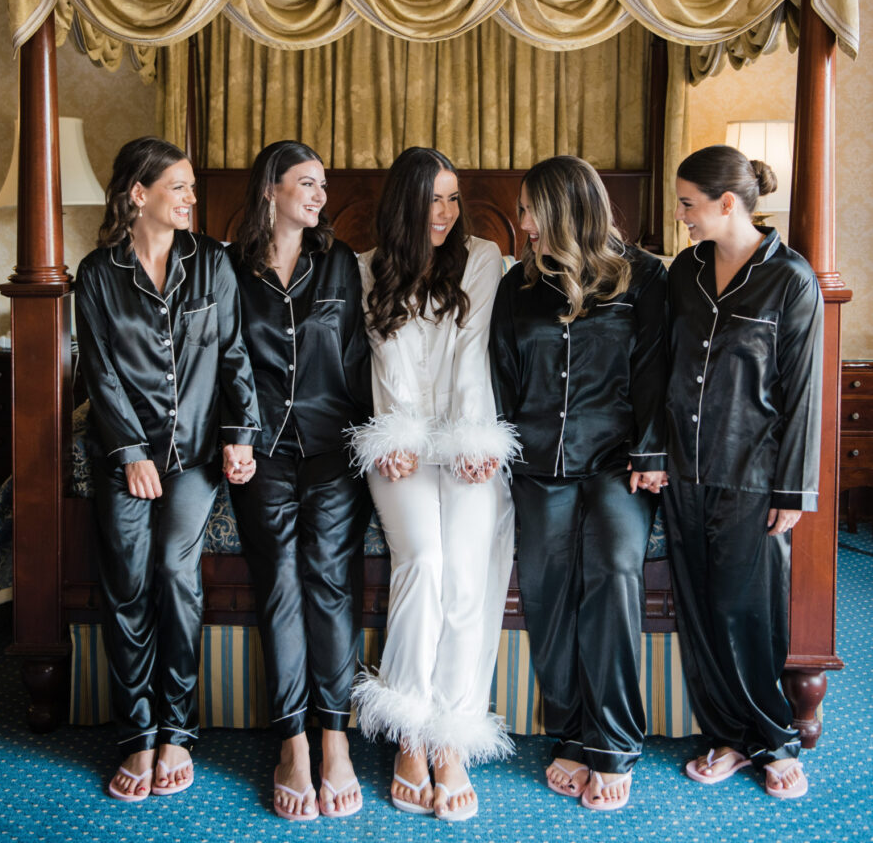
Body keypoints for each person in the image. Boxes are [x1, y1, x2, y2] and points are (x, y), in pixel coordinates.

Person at [75, 137, 260, 801]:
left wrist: (241, 435)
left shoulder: (213, 262)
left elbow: (234, 354)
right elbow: (99, 370)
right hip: (124, 452)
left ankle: (177, 730)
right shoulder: (96, 274)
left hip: (197, 455)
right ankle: (138, 735)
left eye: (189, 186)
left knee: (172, 567)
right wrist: (128, 452)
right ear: (138, 194)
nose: (190, 198)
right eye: (177, 187)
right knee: (124, 579)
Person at [489, 155, 668, 812]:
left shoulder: (645, 277)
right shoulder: (517, 286)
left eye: (531, 208)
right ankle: (569, 730)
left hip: (618, 462)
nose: (523, 221)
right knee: (545, 586)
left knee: (615, 568)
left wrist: (651, 451)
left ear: (562, 211)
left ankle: (613, 743)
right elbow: (502, 376)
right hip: (538, 465)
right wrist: (497, 452)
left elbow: (654, 372)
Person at [349, 146, 518, 822]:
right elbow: (384, 361)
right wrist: (394, 436)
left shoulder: (481, 258)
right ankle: (410, 730)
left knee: (469, 572)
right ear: (403, 205)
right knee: (424, 558)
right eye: (431, 201)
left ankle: (451, 733)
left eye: (452, 199)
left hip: (467, 433)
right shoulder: (364, 269)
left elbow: (471, 355)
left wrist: (475, 441)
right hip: (400, 444)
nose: (444, 214)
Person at [665, 144, 823, 800]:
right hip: (681, 469)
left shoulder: (789, 279)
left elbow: (803, 392)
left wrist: (791, 489)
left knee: (745, 611)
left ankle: (774, 741)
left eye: (687, 205)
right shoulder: (684, 271)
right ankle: (725, 737)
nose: (681, 217)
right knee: (700, 612)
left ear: (725, 203)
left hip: (751, 475)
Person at [227, 141, 373, 821]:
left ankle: (335, 738)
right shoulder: (229, 268)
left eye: (321, 184)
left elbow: (356, 359)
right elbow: (224, 362)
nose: (318, 195)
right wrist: (238, 435)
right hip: (260, 451)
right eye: (305, 183)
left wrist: (375, 442)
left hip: (331, 444)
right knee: (279, 578)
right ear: (269, 190)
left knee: (330, 576)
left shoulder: (338, 262)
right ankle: (291, 742)